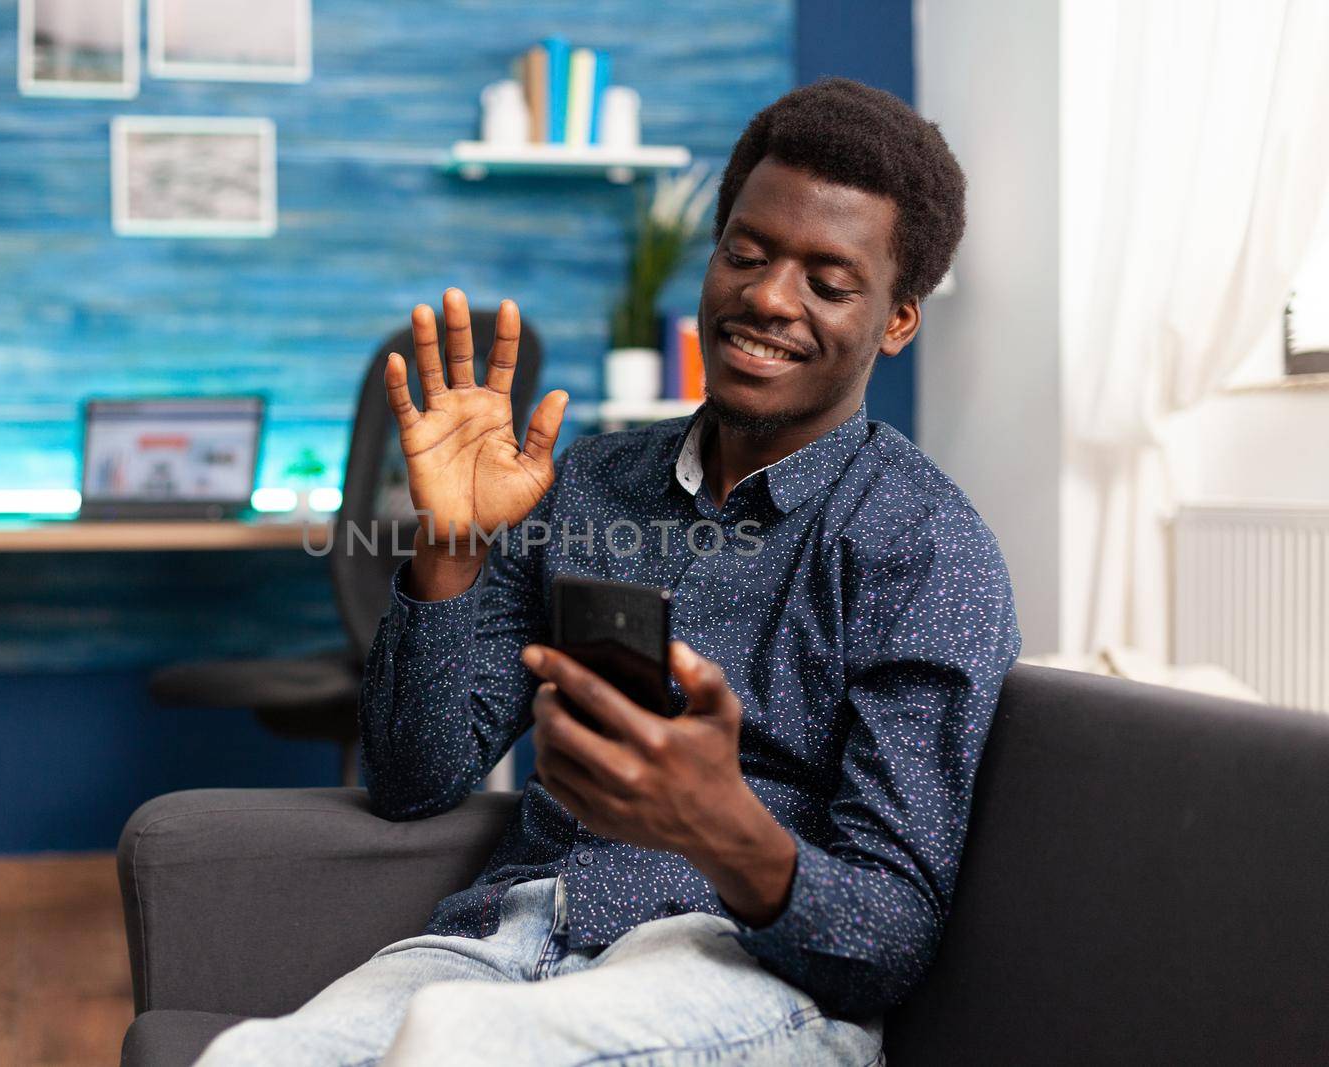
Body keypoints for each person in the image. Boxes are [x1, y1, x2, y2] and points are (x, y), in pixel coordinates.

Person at [197, 77, 1021, 1067]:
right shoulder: (589, 481)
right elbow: (414, 778)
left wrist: (724, 829)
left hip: (746, 972)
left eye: (828, 282)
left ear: (895, 320)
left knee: (457, 1045)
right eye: (746, 255)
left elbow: (891, 933)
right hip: (503, 939)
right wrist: (448, 551)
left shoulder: (924, 544)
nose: (766, 297)